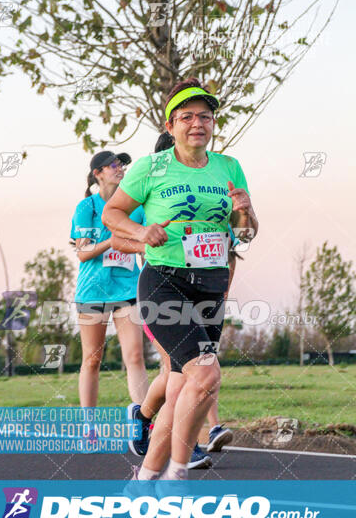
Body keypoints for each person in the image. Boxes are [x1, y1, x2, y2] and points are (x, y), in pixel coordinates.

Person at [103, 77, 258, 480]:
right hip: (164, 281)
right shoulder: (150, 167)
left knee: (178, 389)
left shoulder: (230, 167)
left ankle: (144, 480)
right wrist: (141, 233)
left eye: (205, 116)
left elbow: (245, 235)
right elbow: (112, 214)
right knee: (205, 373)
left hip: (210, 286)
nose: (197, 123)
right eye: (186, 117)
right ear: (170, 127)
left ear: (212, 124)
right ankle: (177, 474)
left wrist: (245, 213)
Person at [121, 131, 237, 469]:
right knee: (193, 372)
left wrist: (223, 281)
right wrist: (147, 239)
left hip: (205, 290)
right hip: (163, 290)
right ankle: (186, 443)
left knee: (186, 375)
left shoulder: (212, 194)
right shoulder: (152, 193)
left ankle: (146, 423)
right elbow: (119, 237)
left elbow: (230, 242)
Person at [70, 151, 149, 407]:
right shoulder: (87, 207)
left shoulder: (136, 208)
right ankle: (89, 424)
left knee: (135, 356)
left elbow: (144, 245)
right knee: (92, 359)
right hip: (93, 292)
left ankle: (143, 421)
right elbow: (82, 253)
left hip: (128, 290)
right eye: (113, 165)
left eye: (122, 165)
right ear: (98, 173)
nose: (120, 169)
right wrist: (111, 242)